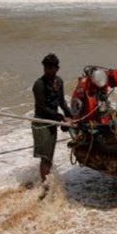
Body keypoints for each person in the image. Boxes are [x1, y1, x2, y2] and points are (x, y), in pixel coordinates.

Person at [32, 53, 73, 198]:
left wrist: (71, 116)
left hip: (53, 122)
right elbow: (42, 107)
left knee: (49, 155)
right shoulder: (39, 85)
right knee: (46, 157)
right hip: (42, 122)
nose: (47, 71)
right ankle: (45, 188)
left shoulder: (59, 81)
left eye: (50, 68)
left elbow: (62, 102)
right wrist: (60, 118)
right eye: (45, 68)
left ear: (57, 69)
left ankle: (46, 182)